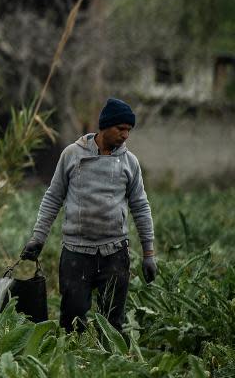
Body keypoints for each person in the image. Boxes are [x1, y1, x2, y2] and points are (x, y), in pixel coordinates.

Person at [20, 97, 156, 334]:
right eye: (120, 129)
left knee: (112, 324)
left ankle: (109, 366)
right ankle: (73, 366)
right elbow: (53, 198)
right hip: (76, 252)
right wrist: (37, 238)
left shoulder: (129, 163)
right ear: (105, 126)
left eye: (129, 130)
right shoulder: (72, 155)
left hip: (114, 253)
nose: (125, 135)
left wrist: (149, 253)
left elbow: (141, 207)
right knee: (72, 320)